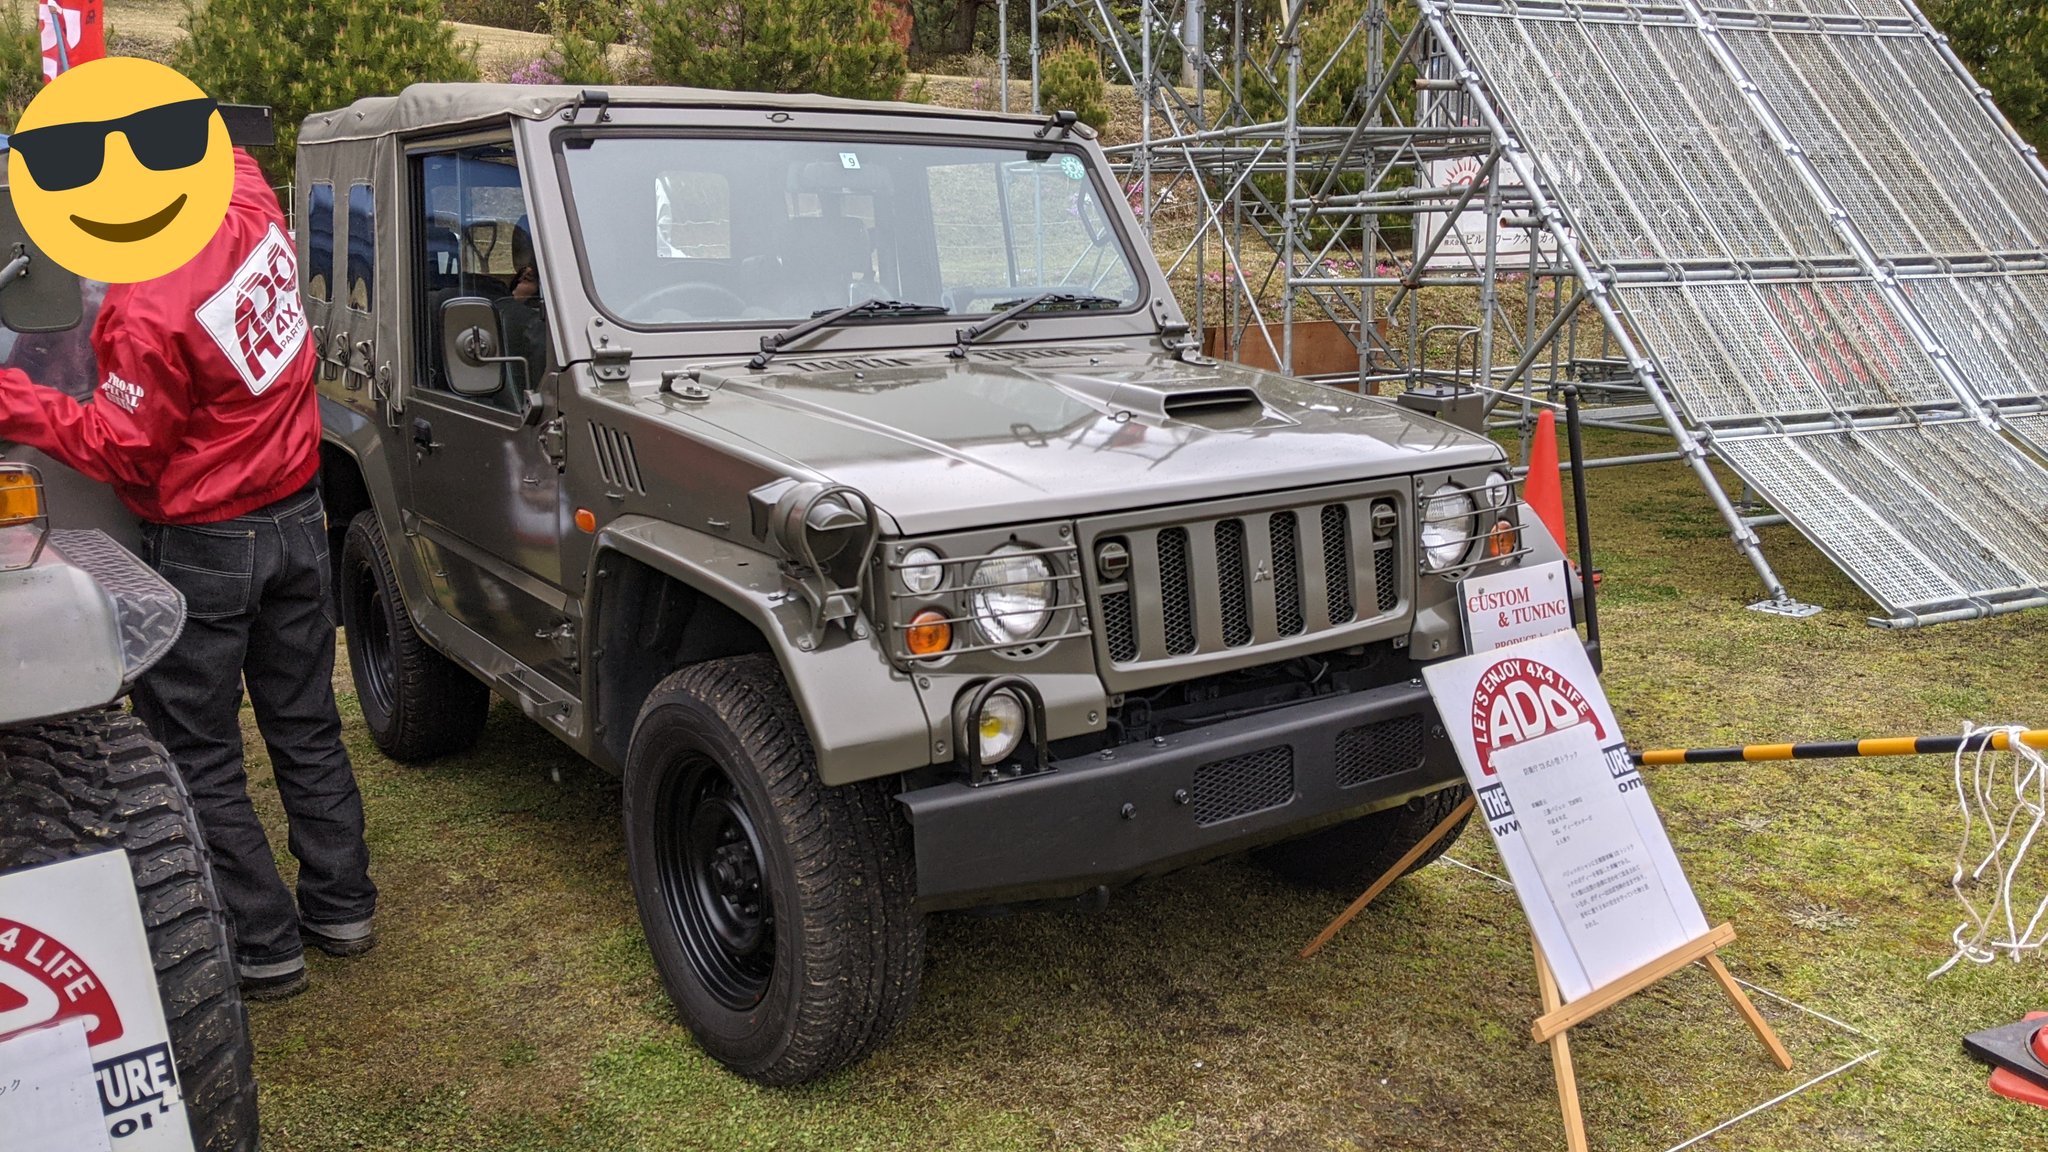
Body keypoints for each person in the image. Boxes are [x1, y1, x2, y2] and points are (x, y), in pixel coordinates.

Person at [0, 146, 375, 1002]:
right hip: (296, 514)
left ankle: (264, 945)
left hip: (208, 538)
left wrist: (14, 398)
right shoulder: (246, 199)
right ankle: (343, 906)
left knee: (198, 753)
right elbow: (224, 152)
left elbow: (124, 447)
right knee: (307, 722)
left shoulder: (143, 308)